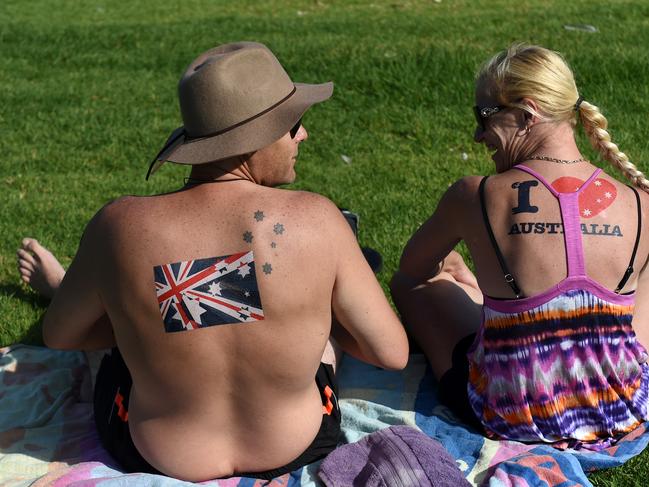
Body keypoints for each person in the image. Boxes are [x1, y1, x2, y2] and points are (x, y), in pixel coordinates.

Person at [17, 41, 408, 481]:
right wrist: (311, 319)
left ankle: (81, 291)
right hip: (296, 443)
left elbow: (61, 335)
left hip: (156, 450)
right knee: (315, 341)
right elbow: (390, 353)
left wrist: (143, 323)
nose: (303, 136)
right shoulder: (318, 219)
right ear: (255, 137)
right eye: (294, 124)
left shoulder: (119, 226)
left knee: (146, 328)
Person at [391, 43, 649, 450]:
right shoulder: (639, 203)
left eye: (483, 117)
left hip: (510, 415)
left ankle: (492, 305)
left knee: (417, 282)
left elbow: (413, 268)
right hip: (622, 411)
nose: (477, 135)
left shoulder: (475, 196)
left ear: (527, 114)